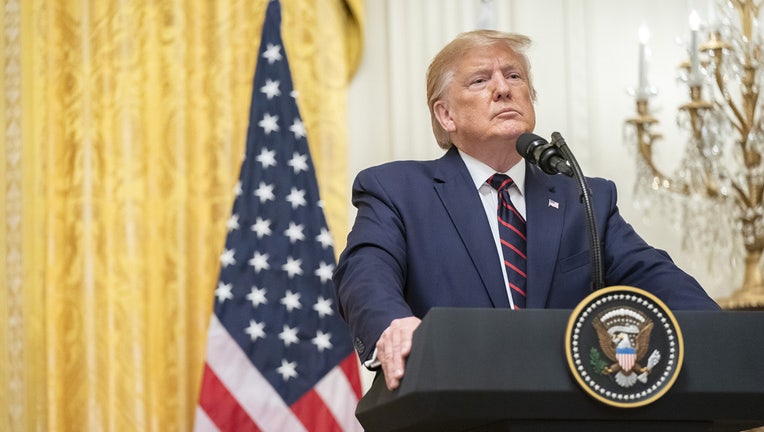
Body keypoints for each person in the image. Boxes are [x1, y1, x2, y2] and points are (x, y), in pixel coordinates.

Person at [333, 29, 720, 391]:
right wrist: (392, 324)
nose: (503, 88)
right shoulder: (397, 191)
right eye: (480, 80)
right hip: (453, 404)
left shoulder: (584, 198)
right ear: (445, 115)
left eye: (514, 77)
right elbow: (365, 271)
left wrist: (725, 337)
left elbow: (657, 279)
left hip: (566, 410)